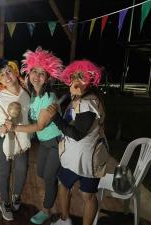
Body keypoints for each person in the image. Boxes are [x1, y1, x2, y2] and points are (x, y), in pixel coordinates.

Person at [6, 47, 64, 225]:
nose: (37, 76)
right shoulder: (32, 96)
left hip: (56, 142)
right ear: (28, 72)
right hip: (44, 143)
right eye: (34, 71)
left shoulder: (49, 98)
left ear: (48, 77)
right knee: (40, 172)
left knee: (48, 177)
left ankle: (46, 210)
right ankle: (56, 177)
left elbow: (39, 125)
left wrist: (15, 127)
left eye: (42, 73)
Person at [48, 60, 110, 225]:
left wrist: (56, 119)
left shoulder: (88, 102)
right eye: (74, 76)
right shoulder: (80, 98)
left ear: (90, 79)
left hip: (87, 160)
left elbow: (77, 134)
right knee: (63, 185)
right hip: (72, 157)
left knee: (87, 196)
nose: (76, 80)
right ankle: (64, 219)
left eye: (81, 76)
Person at [0, 59, 31, 221]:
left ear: (16, 72)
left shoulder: (27, 93)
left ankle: (16, 196)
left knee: (22, 170)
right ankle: (5, 203)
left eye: (9, 71)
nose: (6, 76)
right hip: (5, 140)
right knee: (3, 172)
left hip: (24, 139)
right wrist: (0, 129)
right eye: (2, 74)